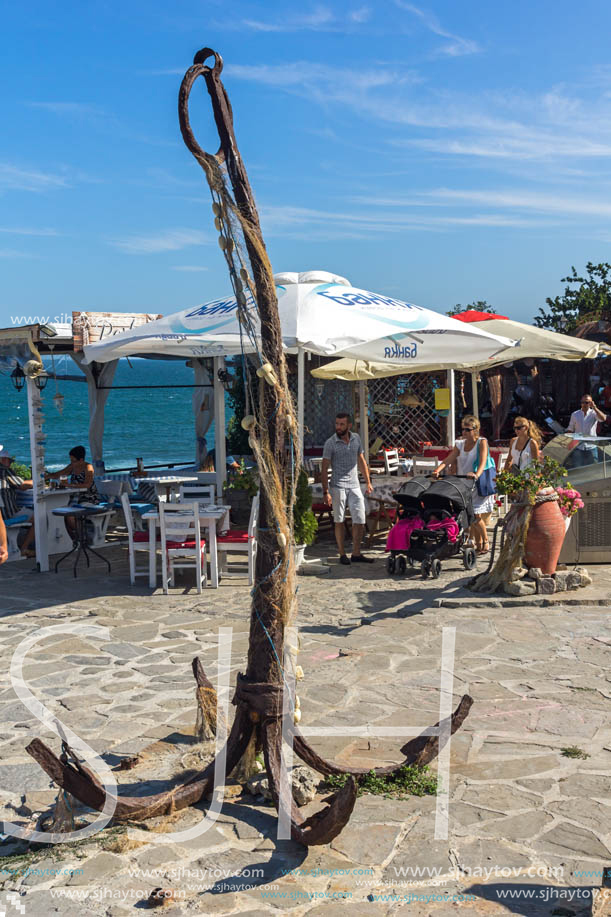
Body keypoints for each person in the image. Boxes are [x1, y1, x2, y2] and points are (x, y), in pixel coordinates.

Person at [432, 415, 495, 555]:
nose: (464, 432)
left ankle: (485, 543)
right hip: (462, 483)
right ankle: (477, 544)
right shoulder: (460, 444)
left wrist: (476, 474)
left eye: (467, 430)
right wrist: (438, 470)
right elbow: (450, 458)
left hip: (476, 483)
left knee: (476, 514)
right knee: (467, 514)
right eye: (463, 429)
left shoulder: (481, 442)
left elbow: (483, 460)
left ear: (475, 430)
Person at [321, 412, 374, 565]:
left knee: (360, 518)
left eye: (342, 424)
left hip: (355, 484)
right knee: (339, 520)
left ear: (349, 425)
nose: (338, 427)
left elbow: (361, 460)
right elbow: (324, 468)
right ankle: (342, 553)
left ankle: (356, 552)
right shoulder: (330, 443)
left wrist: (368, 481)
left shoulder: (356, 438)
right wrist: (326, 491)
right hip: (338, 486)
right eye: (337, 424)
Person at [46, 445, 100, 539]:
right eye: (71, 460)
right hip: (75, 498)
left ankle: (81, 537)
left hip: (88, 499)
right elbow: (58, 474)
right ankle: (73, 538)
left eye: (74, 460)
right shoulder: (72, 466)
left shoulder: (88, 468)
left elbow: (87, 485)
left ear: (81, 460)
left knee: (69, 515)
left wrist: (70, 485)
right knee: (60, 510)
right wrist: (45, 476)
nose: (72, 463)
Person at [0, 446, 35, 557]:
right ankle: (24, 548)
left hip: (2, 514)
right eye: (9, 461)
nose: (10, 463)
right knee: (38, 517)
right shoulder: (4, 470)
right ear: (3, 460)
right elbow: (22, 485)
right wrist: (37, 481)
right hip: (8, 514)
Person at [567, 394, 606, 466]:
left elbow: (603, 418)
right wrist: (569, 443)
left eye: (587, 402)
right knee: (577, 469)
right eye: (582, 402)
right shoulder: (575, 414)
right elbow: (570, 429)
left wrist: (594, 407)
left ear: (591, 403)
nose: (584, 404)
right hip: (578, 447)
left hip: (591, 446)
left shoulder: (594, 413)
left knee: (593, 469)